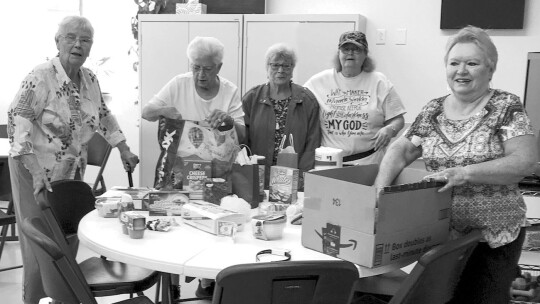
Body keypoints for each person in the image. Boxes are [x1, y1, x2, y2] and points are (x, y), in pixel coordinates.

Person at [374, 26, 539, 304]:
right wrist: (380, 189)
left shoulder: (506, 106)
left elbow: (523, 162)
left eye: (472, 63)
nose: (461, 70)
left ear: (490, 69)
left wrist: (465, 174)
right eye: (454, 63)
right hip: (444, 238)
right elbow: (402, 149)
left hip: (494, 237)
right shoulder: (433, 110)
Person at [7, 16, 139, 304]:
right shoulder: (41, 76)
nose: (77, 44)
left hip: (69, 169)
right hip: (33, 170)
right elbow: (17, 120)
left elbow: (103, 115)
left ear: (91, 47)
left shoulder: (90, 79)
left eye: (85, 39)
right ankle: (34, 299)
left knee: (68, 234)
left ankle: (60, 296)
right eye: (70, 37)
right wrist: (35, 170)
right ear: (57, 41)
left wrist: (123, 148)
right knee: (41, 243)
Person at [141, 36, 245, 299]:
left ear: (218, 68)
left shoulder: (229, 91)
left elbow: (243, 134)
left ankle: (209, 280)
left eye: (207, 68)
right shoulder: (179, 83)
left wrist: (228, 120)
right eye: (195, 67)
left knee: (213, 227)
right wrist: (167, 109)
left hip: (215, 176)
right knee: (172, 223)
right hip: (177, 172)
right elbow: (147, 112)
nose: (200, 74)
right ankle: (171, 282)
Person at [304, 31, 406, 165]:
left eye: (356, 50)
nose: (350, 53)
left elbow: (398, 119)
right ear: (338, 53)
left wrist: (390, 129)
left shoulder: (379, 82)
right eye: (345, 49)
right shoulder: (318, 82)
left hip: (369, 162)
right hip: (329, 163)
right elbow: (298, 107)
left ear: (365, 55)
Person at [242, 43, 321, 189]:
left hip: (293, 179)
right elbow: (243, 142)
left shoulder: (307, 100)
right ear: (267, 68)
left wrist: (302, 178)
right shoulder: (252, 98)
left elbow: (312, 144)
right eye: (275, 65)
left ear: (292, 70)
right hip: (258, 178)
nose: (280, 70)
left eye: (286, 66)